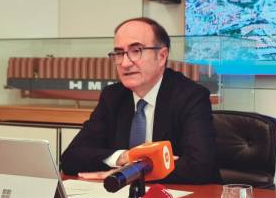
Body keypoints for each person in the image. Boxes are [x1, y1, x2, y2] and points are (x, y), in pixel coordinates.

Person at [61, 17, 220, 184]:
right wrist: (125, 157)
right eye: (119, 53)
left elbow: (199, 167)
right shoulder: (113, 96)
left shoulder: (190, 96)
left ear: (161, 56)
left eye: (136, 51)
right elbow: (71, 158)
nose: (125, 63)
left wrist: (129, 174)